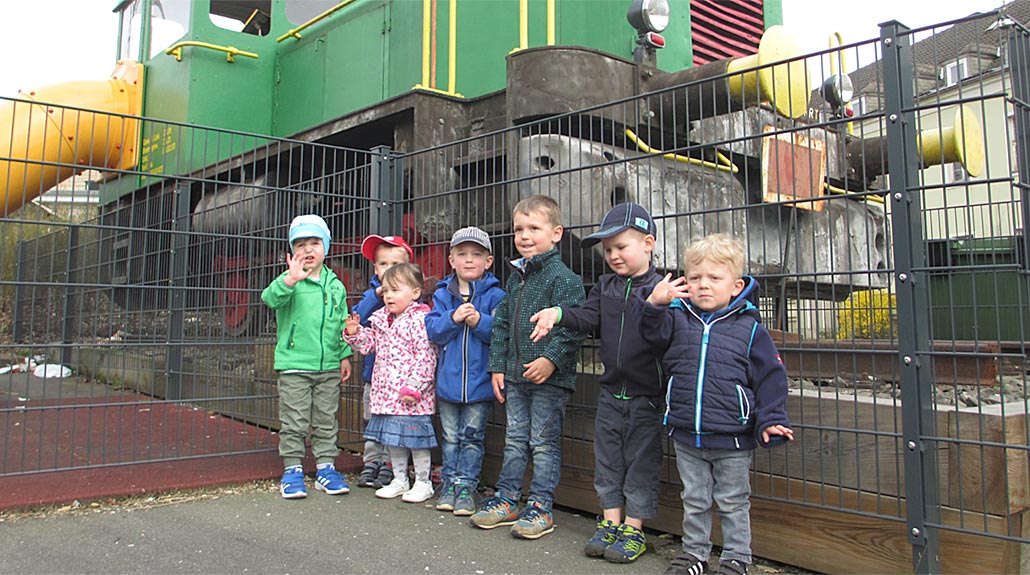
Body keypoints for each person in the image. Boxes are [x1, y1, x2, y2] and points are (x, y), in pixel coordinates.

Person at [640, 234, 794, 575]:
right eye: (695, 277)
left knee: (733, 500)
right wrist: (654, 304)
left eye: (714, 277)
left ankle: (736, 557)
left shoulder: (750, 329)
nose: (703, 285)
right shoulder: (677, 318)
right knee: (694, 498)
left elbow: (770, 378)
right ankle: (694, 554)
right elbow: (651, 336)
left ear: (736, 286)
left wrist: (771, 418)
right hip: (686, 433)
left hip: (733, 437)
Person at [528, 202, 663, 563]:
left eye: (621, 247)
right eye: (608, 250)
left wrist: (657, 305)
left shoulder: (660, 289)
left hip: (647, 396)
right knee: (607, 460)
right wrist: (559, 313)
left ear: (648, 243)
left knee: (641, 463)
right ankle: (610, 522)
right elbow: (588, 318)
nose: (613, 256)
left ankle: (634, 528)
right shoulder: (605, 286)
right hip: (610, 391)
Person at [469, 195, 586, 540]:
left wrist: (551, 360)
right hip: (515, 376)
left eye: (534, 228)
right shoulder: (516, 277)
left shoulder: (564, 279)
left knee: (543, 442)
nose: (524, 235)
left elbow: (572, 328)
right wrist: (498, 367)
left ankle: (540, 506)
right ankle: (507, 499)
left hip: (550, 379)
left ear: (556, 233)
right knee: (515, 439)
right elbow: (502, 325)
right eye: (518, 229)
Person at [261, 214, 353, 499]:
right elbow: (269, 299)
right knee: (295, 420)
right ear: (292, 251)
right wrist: (290, 280)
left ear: (326, 247)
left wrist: (344, 355)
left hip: (328, 366)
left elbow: (341, 322)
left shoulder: (336, 285)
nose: (308, 249)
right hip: (295, 365)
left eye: (315, 242)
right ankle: (292, 469)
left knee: (326, 419)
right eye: (300, 244)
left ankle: (326, 468)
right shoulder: (290, 281)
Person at [425, 227, 506, 516]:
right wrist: (453, 317)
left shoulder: (496, 296)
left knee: (472, 437)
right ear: (451, 260)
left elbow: (501, 333)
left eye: (476, 254)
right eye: (462, 254)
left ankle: (467, 486)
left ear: (489, 261)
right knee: (450, 437)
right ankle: (448, 484)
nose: (469, 260)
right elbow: (433, 330)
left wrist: (479, 321)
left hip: (480, 384)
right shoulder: (442, 295)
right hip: (448, 384)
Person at [344, 262, 439, 504]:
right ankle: (399, 479)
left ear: (415, 292)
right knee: (393, 441)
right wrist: (356, 333)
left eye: (395, 290)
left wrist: (414, 387)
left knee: (417, 442)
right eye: (386, 290)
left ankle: (423, 482)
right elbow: (369, 346)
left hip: (412, 397)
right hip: (387, 395)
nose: (388, 296)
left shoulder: (419, 320)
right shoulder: (381, 320)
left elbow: (426, 356)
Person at [353, 234, 415, 489]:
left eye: (395, 264)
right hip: (374, 375)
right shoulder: (374, 296)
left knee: (395, 422)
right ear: (375, 268)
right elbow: (358, 316)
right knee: (372, 419)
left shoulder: (410, 298)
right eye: (383, 264)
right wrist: (377, 295)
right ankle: (372, 461)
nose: (388, 269)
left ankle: (391, 464)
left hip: (401, 378)